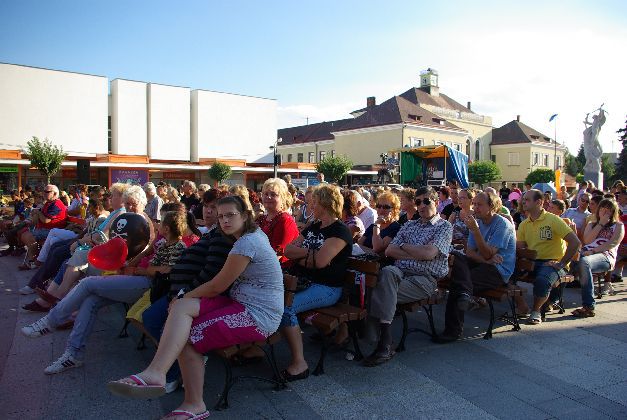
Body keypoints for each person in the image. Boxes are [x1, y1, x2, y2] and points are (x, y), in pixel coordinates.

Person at [107, 196, 284, 420]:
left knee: (188, 332)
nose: (225, 221)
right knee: (182, 309)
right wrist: (182, 299)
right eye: (221, 216)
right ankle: (156, 373)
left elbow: (217, 286)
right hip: (240, 303)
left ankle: (194, 404)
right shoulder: (247, 236)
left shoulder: (247, 243)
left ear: (245, 215)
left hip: (258, 315)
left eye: (230, 215)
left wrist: (184, 295)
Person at [22, 210, 185, 375]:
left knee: (88, 283)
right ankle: (74, 354)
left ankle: (50, 321)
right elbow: (146, 255)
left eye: (161, 222)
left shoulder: (178, 245)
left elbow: (166, 270)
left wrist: (137, 270)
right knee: (91, 301)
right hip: (133, 276)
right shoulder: (161, 242)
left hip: (147, 284)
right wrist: (131, 264)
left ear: (167, 228)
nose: (157, 224)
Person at [364, 186, 452, 366]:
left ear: (436, 202)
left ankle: (382, 340)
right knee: (387, 272)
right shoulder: (409, 225)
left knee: (378, 288)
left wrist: (403, 247)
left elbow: (428, 253)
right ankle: (384, 341)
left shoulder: (444, 226)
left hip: (424, 279)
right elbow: (389, 251)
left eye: (426, 201)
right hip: (399, 273)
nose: (422, 205)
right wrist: (417, 253)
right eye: (418, 202)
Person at [281, 184, 352, 381]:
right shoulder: (314, 226)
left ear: (325, 204)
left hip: (327, 288)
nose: (310, 205)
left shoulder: (340, 231)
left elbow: (320, 263)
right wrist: (311, 253)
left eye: (314, 201)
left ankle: (299, 363)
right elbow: (288, 250)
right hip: (303, 281)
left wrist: (304, 257)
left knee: (285, 308)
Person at [437, 191, 516, 343]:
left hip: (499, 271)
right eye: (474, 204)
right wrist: (486, 260)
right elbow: (470, 252)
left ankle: (453, 331)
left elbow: (487, 253)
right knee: (458, 257)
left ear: (491, 206)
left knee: (458, 284)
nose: (475, 208)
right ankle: (465, 295)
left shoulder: (502, 225)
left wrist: (475, 231)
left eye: (479, 205)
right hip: (485, 265)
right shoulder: (477, 222)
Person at [516, 189, 581, 325]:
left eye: (527, 200)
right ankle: (523, 306)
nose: (523, 202)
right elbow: (520, 247)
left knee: (542, 280)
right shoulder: (524, 224)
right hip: (532, 262)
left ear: (539, 202)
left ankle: (536, 311)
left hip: (552, 263)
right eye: (523, 199)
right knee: (505, 274)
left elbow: (575, 242)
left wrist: (562, 263)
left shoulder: (553, 220)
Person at [571, 199, 624, 317]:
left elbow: (612, 243)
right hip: (585, 253)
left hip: (605, 256)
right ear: (598, 210)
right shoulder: (591, 224)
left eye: (608, 210)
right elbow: (587, 240)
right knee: (563, 263)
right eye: (602, 209)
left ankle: (588, 306)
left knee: (584, 262)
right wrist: (600, 224)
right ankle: (552, 300)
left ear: (613, 212)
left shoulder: (618, 226)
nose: (605, 212)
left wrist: (593, 251)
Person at [17, 184, 67, 269]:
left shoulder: (56, 205)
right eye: (44, 191)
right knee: (23, 233)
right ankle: (34, 259)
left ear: (55, 194)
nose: (44, 193)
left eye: (47, 192)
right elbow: (39, 218)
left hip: (53, 230)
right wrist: (36, 213)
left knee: (27, 236)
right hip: (45, 229)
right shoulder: (49, 203)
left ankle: (34, 261)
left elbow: (46, 220)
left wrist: (38, 212)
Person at [256, 178, 300, 266]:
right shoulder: (262, 219)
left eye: (273, 194)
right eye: (265, 194)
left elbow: (278, 252)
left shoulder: (285, 220)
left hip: (278, 268)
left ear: (283, 198)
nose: (268, 197)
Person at [358, 191, 401, 255]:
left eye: (386, 207)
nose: (381, 210)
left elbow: (377, 248)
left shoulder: (396, 228)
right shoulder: (373, 226)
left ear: (394, 210)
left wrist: (377, 225)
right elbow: (359, 244)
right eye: (379, 206)